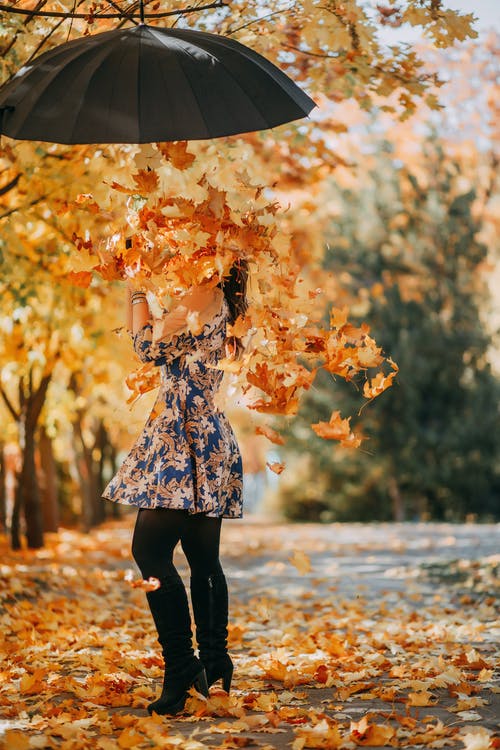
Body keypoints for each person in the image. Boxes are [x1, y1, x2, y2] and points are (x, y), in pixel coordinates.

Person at [102, 262, 248, 716]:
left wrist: (138, 287)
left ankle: (183, 666)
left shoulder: (205, 292)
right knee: (203, 559)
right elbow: (147, 344)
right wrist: (138, 289)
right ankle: (214, 660)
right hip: (197, 436)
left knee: (148, 552)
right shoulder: (209, 294)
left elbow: (147, 346)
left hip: (187, 440)